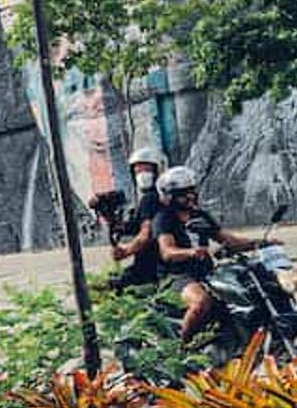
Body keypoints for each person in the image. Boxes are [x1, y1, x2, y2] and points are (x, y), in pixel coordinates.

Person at [155, 165, 278, 341]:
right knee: (201, 302)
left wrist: (261, 243)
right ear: (170, 197)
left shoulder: (200, 216)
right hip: (177, 277)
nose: (190, 196)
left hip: (207, 273)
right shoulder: (164, 218)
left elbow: (228, 240)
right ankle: (182, 347)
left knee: (246, 292)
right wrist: (192, 252)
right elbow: (167, 251)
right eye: (183, 193)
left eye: (191, 191)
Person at [104, 146, 167, 290]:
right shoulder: (159, 196)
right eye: (138, 171)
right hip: (156, 263)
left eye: (146, 170)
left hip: (150, 266)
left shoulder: (150, 199)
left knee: (107, 288)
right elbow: (136, 226)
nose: (142, 175)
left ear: (158, 170)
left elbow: (145, 235)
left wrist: (125, 252)